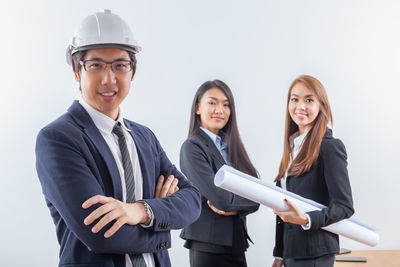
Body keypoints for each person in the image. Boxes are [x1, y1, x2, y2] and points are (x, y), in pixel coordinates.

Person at [35, 10, 201, 267]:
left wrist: (141, 211)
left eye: (120, 66)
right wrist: (163, 226)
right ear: (77, 71)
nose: (108, 79)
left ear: (132, 72)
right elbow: (101, 234)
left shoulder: (144, 137)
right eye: (96, 65)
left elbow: (192, 200)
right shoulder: (57, 138)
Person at [271, 75, 354, 267]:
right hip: (292, 254)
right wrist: (280, 255)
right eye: (295, 99)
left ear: (321, 106)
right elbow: (284, 208)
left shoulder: (330, 147)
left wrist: (307, 219)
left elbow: (344, 206)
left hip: (315, 255)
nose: (300, 106)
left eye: (309, 100)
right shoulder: (292, 147)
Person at [179, 80, 260, 267]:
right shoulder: (192, 147)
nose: (219, 110)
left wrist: (239, 202)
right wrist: (244, 200)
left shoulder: (231, 147)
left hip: (236, 243)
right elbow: (221, 200)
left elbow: (257, 197)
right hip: (208, 245)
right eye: (212, 103)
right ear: (198, 108)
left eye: (226, 105)